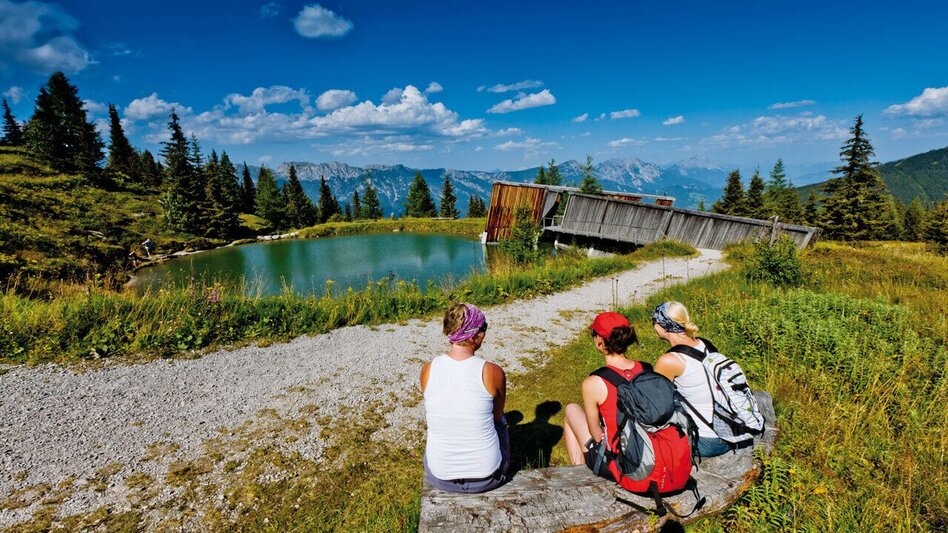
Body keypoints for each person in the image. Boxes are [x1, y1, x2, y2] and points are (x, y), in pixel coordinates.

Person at [421, 303, 509, 493]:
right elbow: (496, 415)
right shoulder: (492, 372)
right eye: (484, 328)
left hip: (440, 477)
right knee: (501, 420)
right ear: (474, 334)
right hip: (488, 477)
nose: (485, 334)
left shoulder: (428, 369)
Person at [562, 312, 646, 483]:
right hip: (648, 452)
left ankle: (580, 475)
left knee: (571, 410)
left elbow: (597, 435)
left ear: (600, 342)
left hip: (619, 463)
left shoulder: (593, 383)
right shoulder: (646, 369)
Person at [652, 301, 735, 457]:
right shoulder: (706, 344)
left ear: (663, 325)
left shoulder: (670, 360)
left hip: (708, 442)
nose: (653, 325)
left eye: (654, 321)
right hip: (731, 432)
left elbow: (656, 406)